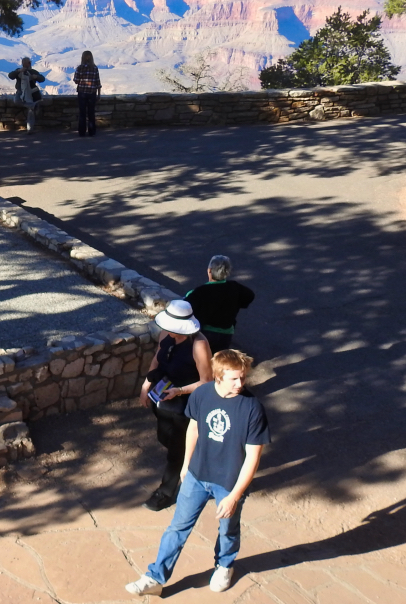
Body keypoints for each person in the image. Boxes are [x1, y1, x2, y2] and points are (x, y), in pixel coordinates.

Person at [126, 349, 270, 596]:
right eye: (234, 378)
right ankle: (155, 578)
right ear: (218, 376)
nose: (240, 383)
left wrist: (234, 495)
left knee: (228, 529)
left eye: (242, 378)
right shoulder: (202, 394)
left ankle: (224, 565)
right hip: (197, 475)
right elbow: (193, 429)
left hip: (229, 481)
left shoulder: (252, 408)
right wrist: (185, 466)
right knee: (177, 528)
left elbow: (253, 457)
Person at [139, 299, 213, 512]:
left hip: (185, 402)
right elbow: (157, 360)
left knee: (176, 450)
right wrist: (145, 386)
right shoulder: (166, 334)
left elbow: (206, 381)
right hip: (163, 397)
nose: (171, 332)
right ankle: (196, 456)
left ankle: (165, 492)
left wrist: (180, 391)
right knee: (165, 438)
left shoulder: (199, 344)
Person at [185, 255, 256, 353]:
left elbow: (186, 309)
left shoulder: (199, 292)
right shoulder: (235, 287)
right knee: (219, 361)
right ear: (227, 272)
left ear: (209, 270)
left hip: (204, 334)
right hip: (226, 334)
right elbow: (250, 295)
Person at [8, 57, 46, 134]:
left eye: (29, 62)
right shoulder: (19, 71)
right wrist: (18, 71)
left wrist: (36, 77)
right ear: (23, 63)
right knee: (17, 100)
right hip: (21, 91)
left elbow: (42, 79)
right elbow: (10, 75)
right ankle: (32, 105)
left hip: (31, 93)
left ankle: (30, 129)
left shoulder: (33, 72)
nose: (28, 64)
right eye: (27, 62)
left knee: (30, 112)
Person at [73, 50, 101, 136]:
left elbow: (76, 81)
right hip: (92, 93)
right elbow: (98, 82)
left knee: (82, 113)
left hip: (82, 93)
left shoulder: (80, 68)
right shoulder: (95, 68)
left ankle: (82, 132)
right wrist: (99, 95)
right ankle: (92, 132)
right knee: (91, 113)